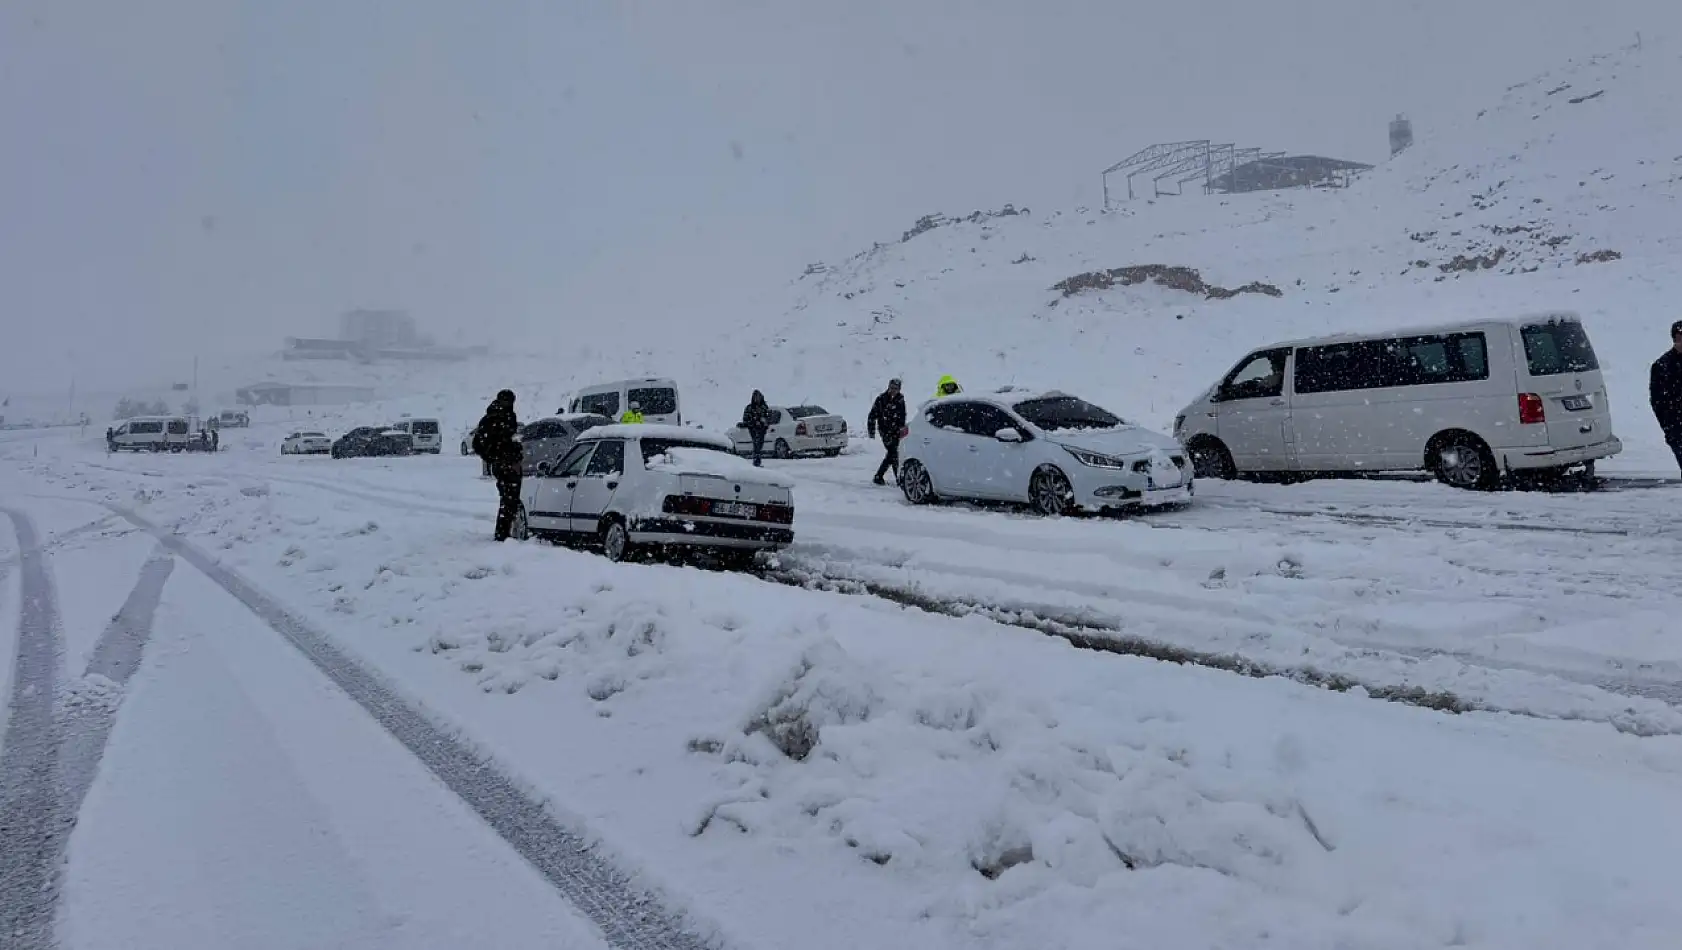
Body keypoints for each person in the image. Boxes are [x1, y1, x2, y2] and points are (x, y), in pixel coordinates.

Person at [473, 390, 524, 541]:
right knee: (509, 498)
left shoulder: (506, 416)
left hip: (509, 461)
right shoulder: (493, 418)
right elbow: (479, 443)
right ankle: (503, 533)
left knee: (510, 498)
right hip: (504, 463)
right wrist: (496, 457)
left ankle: (506, 532)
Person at [1650, 320, 1682, 473]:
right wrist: (1670, 429)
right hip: (1678, 430)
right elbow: (1658, 402)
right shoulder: (1662, 366)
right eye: (1679, 338)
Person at [867, 378, 907, 485]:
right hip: (885, 431)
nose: (893, 390)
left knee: (893, 454)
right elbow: (872, 416)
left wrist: (902, 429)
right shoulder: (881, 399)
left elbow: (902, 416)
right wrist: (871, 431)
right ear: (888, 387)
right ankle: (897, 478)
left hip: (896, 432)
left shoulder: (900, 400)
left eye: (896, 389)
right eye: (892, 388)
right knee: (893, 453)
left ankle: (880, 476)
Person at [741, 390, 775, 466]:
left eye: (758, 397)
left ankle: (757, 461)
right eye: (755, 397)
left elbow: (769, 417)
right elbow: (745, 419)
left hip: (762, 429)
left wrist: (765, 421)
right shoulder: (750, 408)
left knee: (760, 445)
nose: (757, 399)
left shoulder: (764, 407)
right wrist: (754, 422)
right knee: (756, 445)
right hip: (753, 429)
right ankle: (756, 462)